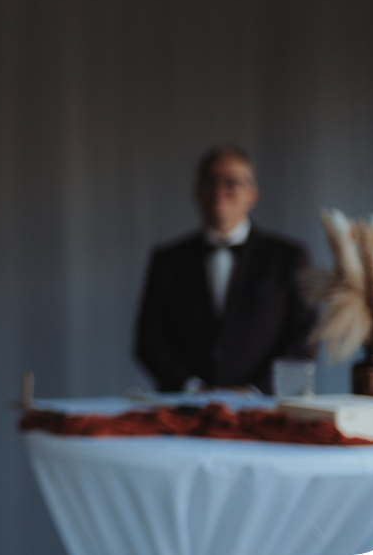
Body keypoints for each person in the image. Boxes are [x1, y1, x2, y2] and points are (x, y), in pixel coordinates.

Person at [134, 145, 316, 393]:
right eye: (210, 181)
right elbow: (149, 342)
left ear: (252, 194)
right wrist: (192, 387)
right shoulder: (168, 260)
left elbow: (305, 336)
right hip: (184, 409)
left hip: (266, 407)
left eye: (231, 182)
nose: (219, 190)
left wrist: (255, 389)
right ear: (197, 193)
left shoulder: (287, 257)